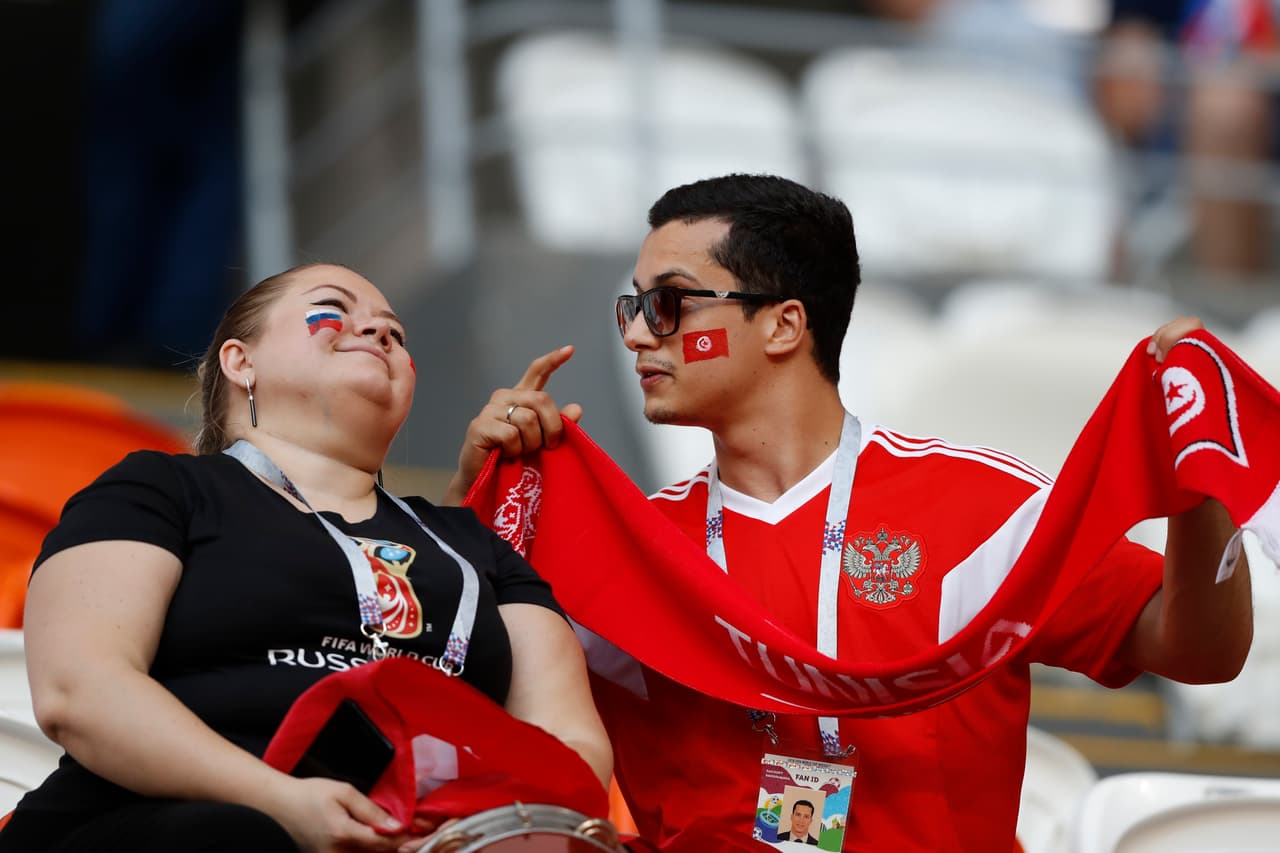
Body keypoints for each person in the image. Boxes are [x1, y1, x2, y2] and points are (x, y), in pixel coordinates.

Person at [451, 174, 1253, 851]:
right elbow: (462, 690)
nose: (637, 336)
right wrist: (471, 506)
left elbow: (1201, 649)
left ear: (783, 324)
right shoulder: (632, 548)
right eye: (634, 307)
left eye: (669, 305)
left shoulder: (978, 505)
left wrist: (1202, 476)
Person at [0, 263, 610, 853]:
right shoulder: (160, 489)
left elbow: (570, 746)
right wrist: (280, 801)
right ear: (242, 362)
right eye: (333, 311)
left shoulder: (470, 545)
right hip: (166, 822)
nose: (377, 332)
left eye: (394, 333)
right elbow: (80, 691)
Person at [1094, 0, 1279, 283]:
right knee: (1224, 110)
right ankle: (1228, 305)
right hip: (1185, 108)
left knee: (1226, 107)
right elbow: (1129, 40)